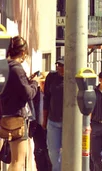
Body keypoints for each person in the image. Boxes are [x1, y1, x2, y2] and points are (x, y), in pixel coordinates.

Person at [0, 36, 41, 171]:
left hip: (2, 114)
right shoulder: (17, 68)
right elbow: (28, 94)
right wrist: (35, 83)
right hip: (16, 117)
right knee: (18, 161)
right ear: (23, 53)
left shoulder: (3, 66)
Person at [43, 57, 65, 171]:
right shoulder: (51, 77)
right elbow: (46, 98)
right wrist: (44, 119)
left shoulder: (74, 79)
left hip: (69, 123)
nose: (59, 68)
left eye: (62, 66)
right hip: (53, 121)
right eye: (58, 65)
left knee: (67, 152)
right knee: (53, 152)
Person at [31, 71, 51, 171]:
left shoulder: (52, 94)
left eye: (45, 83)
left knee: (50, 152)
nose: (43, 85)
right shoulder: (36, 93)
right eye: (42, 83)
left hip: (51, 126)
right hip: (38, 126)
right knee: (38, 151)